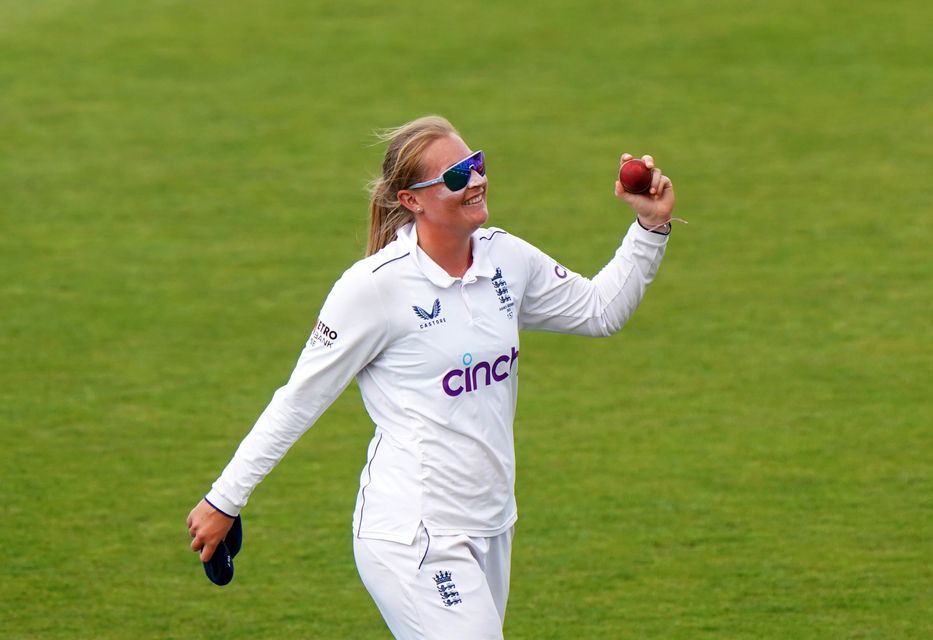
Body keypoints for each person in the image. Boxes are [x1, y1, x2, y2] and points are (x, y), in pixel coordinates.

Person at [187, 115, 676, 639]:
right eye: (457, 176)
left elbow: (600, 311)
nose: (477, 180)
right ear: (413, 200)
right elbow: (299, 400)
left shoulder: (505, 258)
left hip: (491, 524)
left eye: (476, 165)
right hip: (413, 533)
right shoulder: (372, 289)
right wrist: (225, 499)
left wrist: (649, 228)